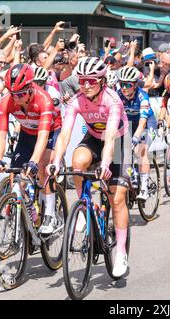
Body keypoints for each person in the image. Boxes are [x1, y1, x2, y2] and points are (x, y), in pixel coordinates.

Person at [48, 57, 130, 277]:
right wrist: (55, 161)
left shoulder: (113, 100)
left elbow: (111, 137)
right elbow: (65, 134)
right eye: (82, 80)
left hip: (119, 141)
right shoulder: (76, 100)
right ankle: (84, 208)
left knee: (118, 198)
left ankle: (120, 251)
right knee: (77, 162)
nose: (85, 85)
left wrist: (105, 164)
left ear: (102, 81)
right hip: (94, 137)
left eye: (91, 81)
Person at [0, 64, 62, 234]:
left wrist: (33, 162)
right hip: (27, 133)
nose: (17, 99)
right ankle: (29, 207)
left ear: (31, 88)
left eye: (21, 94)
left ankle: (50, 215)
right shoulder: (6, 101)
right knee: (16, 176)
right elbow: (1, 133)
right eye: (13, 94)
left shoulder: (44, 100)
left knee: (43, 168)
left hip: (50, 132)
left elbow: (43, 137)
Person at [116, 66, 156, 201]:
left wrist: (135, 137)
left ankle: (144, 188)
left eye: (127, 84)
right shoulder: (118, 95)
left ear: (135, 85)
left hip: (146, 124)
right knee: (118, 152)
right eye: (121, 84)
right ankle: (129, 175)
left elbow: (142, 123)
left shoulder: (142, 96)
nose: (124, 87)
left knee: (140, 150)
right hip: (129, 124)